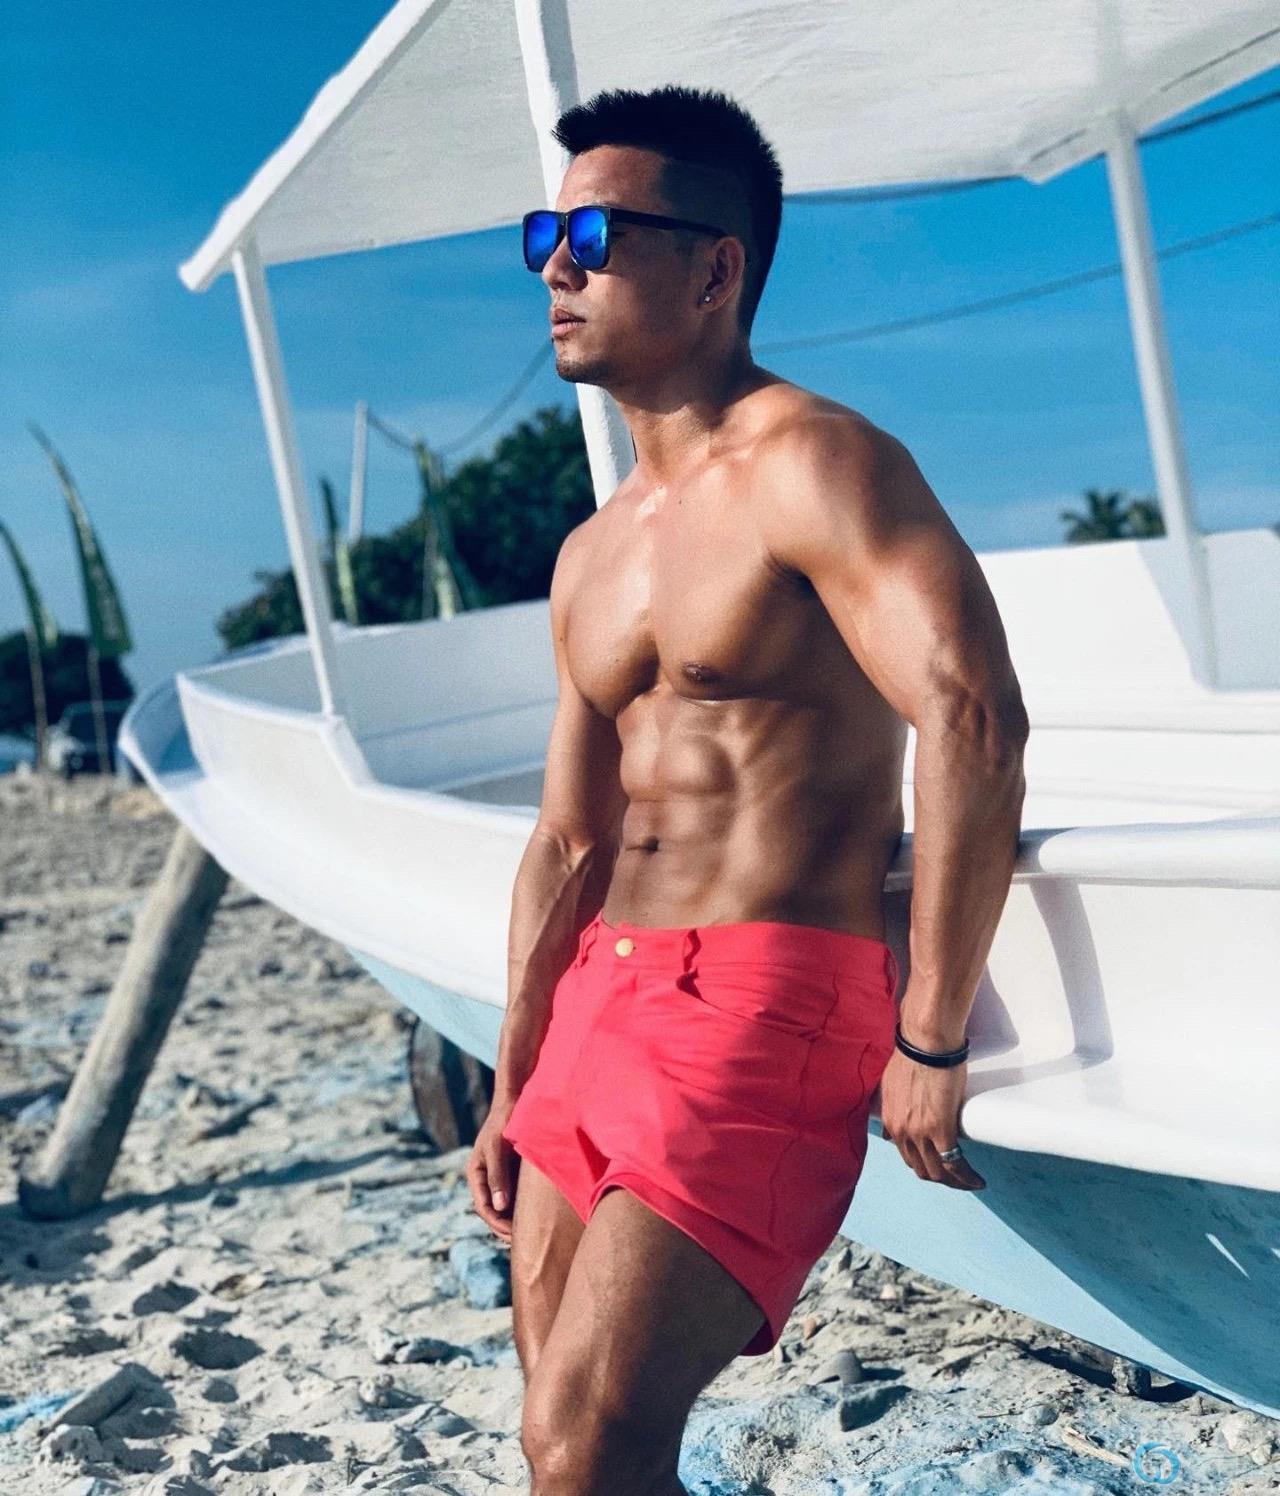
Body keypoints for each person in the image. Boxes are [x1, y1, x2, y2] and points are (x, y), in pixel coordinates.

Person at [466, 83, 1028, 1492]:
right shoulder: (593, 552)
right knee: (554, 1438)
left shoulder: (816, 463)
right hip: (598, 993)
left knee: (589, 1441)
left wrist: (932, 1032)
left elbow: (971, 716)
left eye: (594, 234)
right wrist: (513, 1071)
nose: (556, 267)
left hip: (763, 993)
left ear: (716, 270)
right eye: (544, 233)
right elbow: (568, 835)